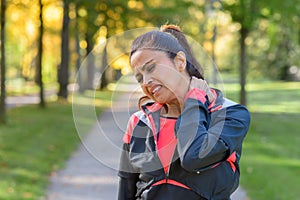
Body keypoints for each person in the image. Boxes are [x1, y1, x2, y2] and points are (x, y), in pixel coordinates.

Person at [118, 24, 251, 200]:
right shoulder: (139, 122)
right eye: (139, 78)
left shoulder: (230, 114)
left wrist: (194, 100)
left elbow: (194, 157)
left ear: (180, 61)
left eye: (151, 68)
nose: (146, 81)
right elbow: (126, 189)